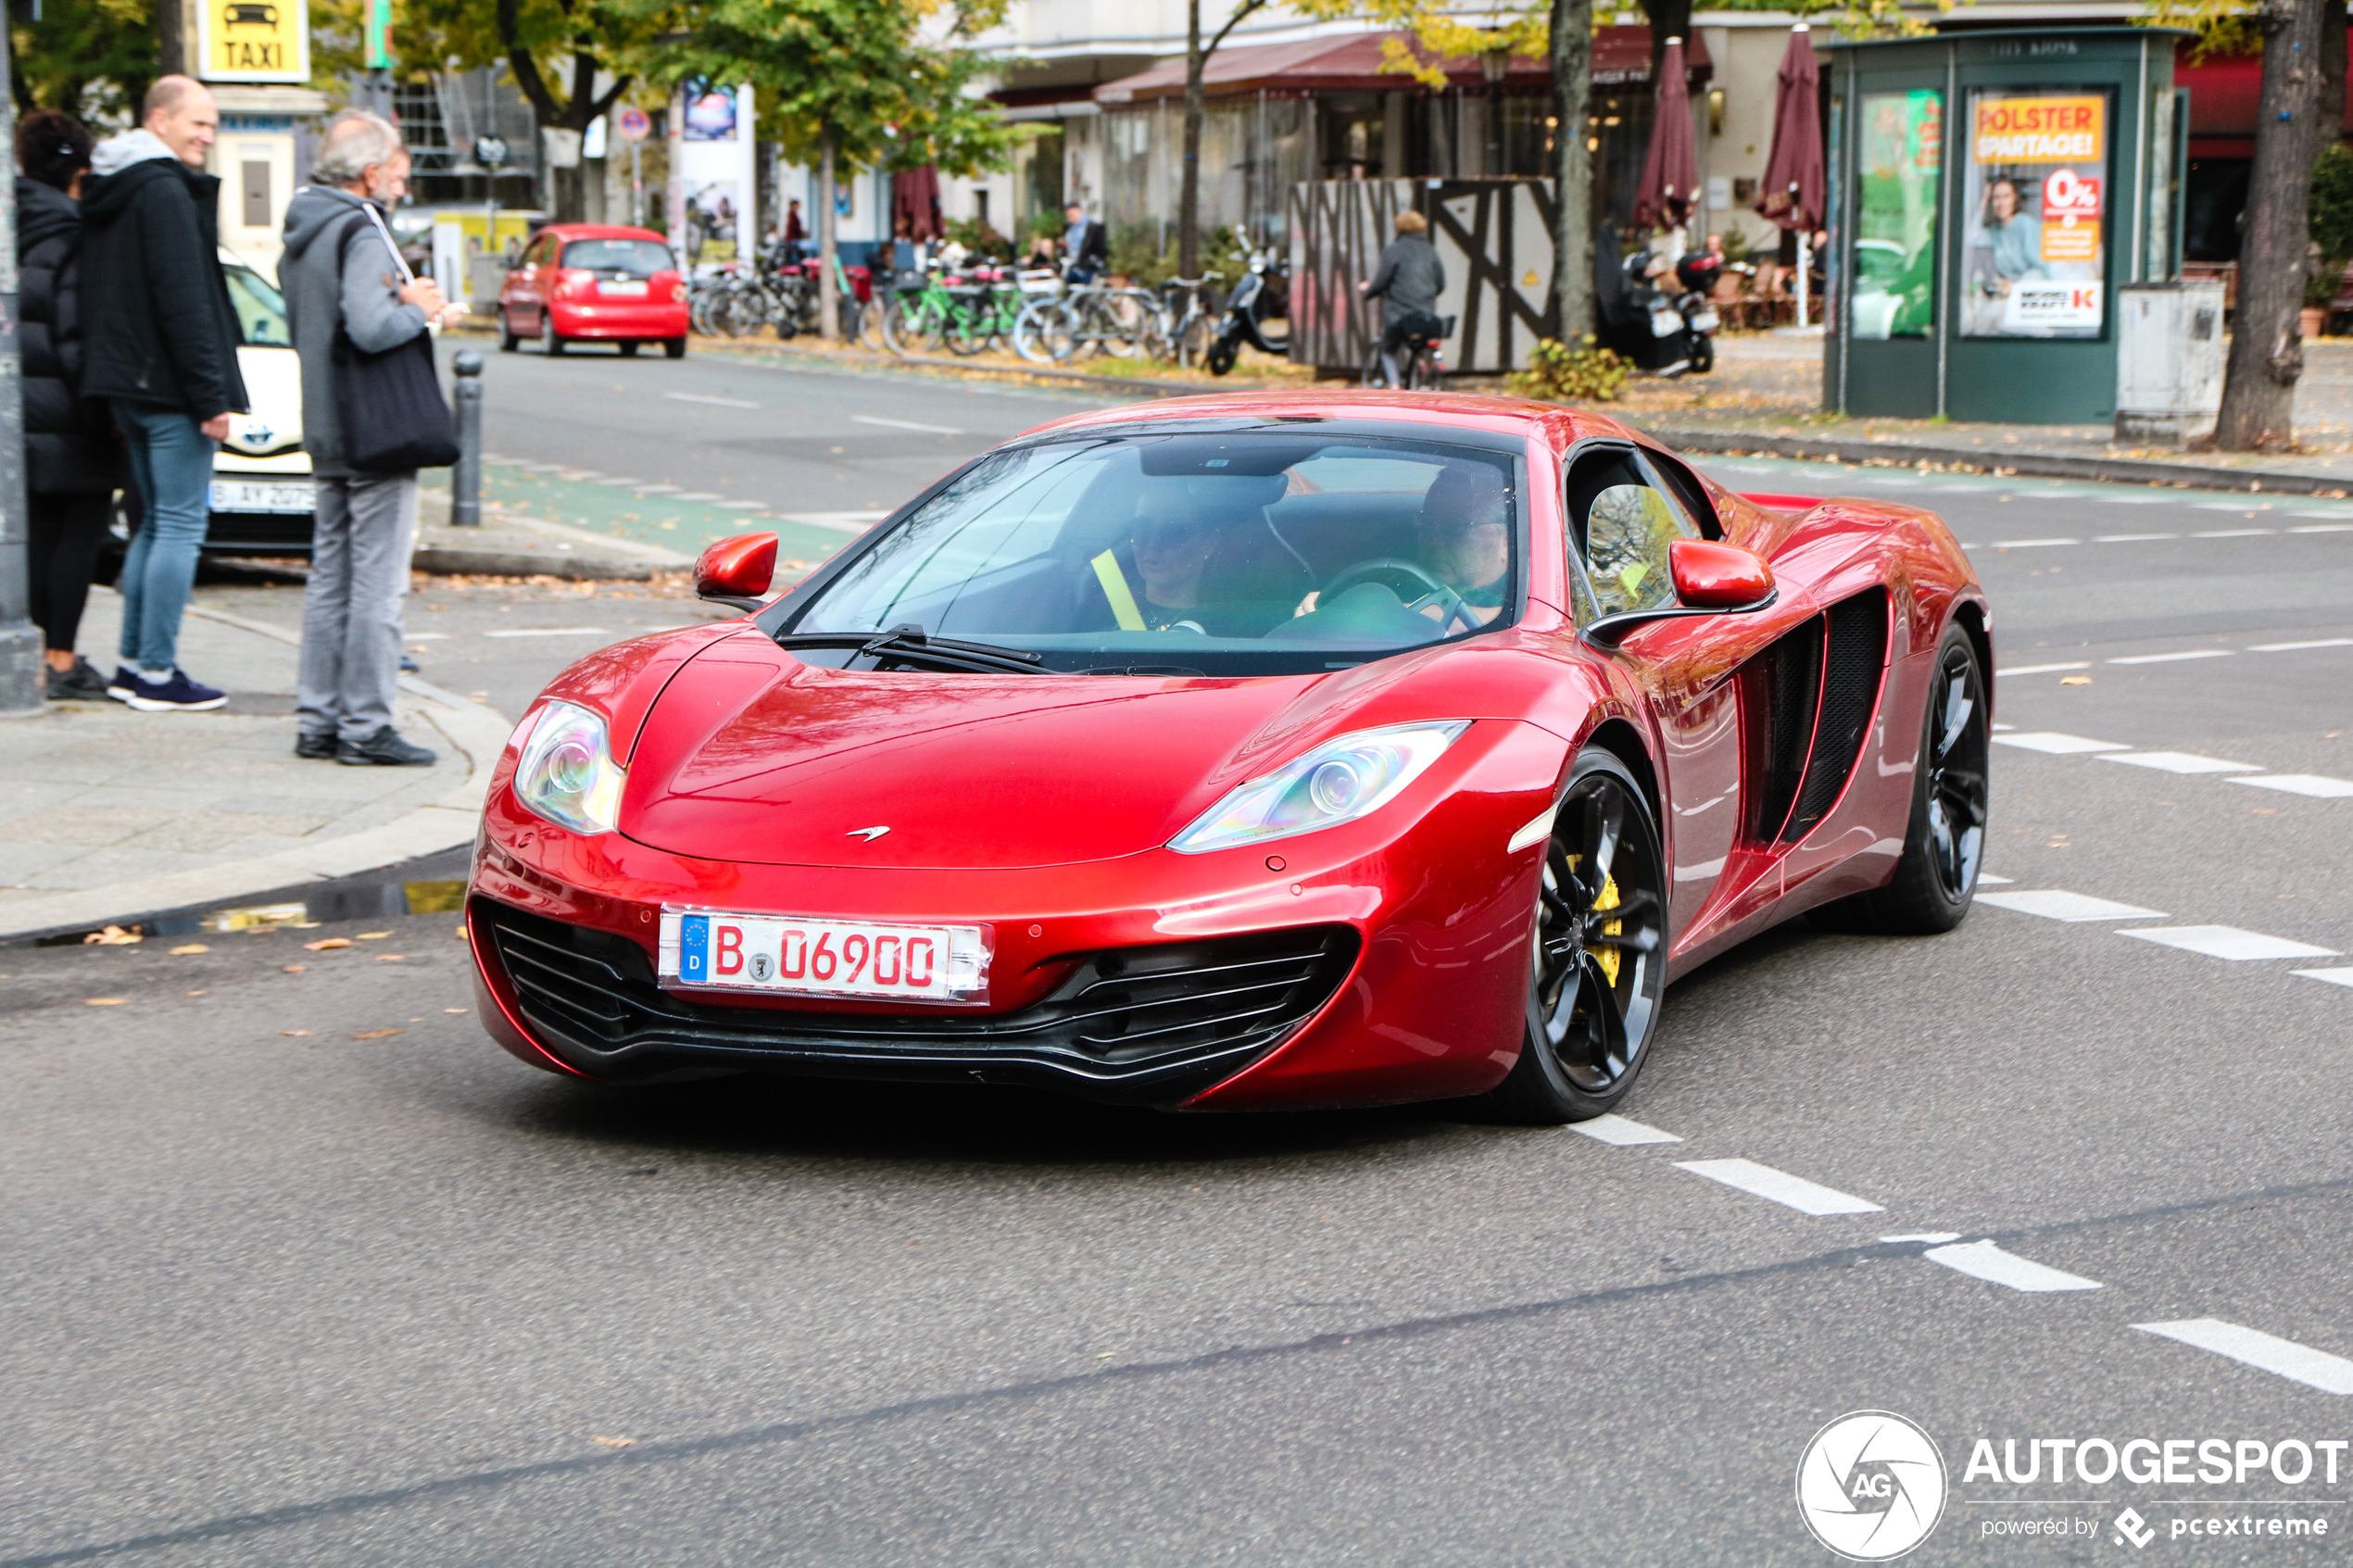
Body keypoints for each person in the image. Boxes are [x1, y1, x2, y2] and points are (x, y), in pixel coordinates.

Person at [278, 109, 459, 766]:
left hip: (326, 423)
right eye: (400, 177)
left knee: (331, 578)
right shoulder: (359, 229)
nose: (402, 189)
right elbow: (371, 327)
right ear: (370, 172)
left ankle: (318, 719)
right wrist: (419, 308)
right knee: (378, 585)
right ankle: (365, 725)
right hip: (374, 430)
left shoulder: (304, 228)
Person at [80, 75, 246, 711]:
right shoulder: (165, 191)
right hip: (173, 387)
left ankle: (131, 663)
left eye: (212, 123)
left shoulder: (113, 190)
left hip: (128, 384)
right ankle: (155, 670)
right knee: (179, 523)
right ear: (159, 120)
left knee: (150, 524)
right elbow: (187, 303)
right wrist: (211, 396)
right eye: (196, 122)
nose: (207, 134)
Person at [17, 109, 125, 702]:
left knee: (35, 534)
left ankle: (30, 652)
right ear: (80, 172)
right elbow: (75, 334)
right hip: (65, 412)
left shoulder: (16, 226)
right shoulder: (72, 234)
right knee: (78, 534)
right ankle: (58, 658)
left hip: (21, 412)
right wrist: (104, 414)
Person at [1414, 465, 1510, 627]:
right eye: (1428, 524)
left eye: (1456, 529)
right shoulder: (1396, 578)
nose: (1434, 541)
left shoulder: (1525, 598)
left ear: (1505, 541)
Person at [1359, 208, 1445, 389]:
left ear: (1399, 227)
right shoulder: (1430, 251)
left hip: (1398, 315)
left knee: (1388, 349)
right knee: (1419, 345)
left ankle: (1395, 386)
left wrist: (1368, 291)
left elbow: (1382, 282)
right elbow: (1441, 283)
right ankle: (1425, 374)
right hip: (1425, 315)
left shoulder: (1394, 251)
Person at [1062, 202, 1107, 284]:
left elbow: (1100, 249)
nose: (1069, 218)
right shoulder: (1069, 228)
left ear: (1079, 212)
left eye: (1071, 215)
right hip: (1071, 266)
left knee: (1083, 291)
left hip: (1087, 268)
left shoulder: (1094, 227)